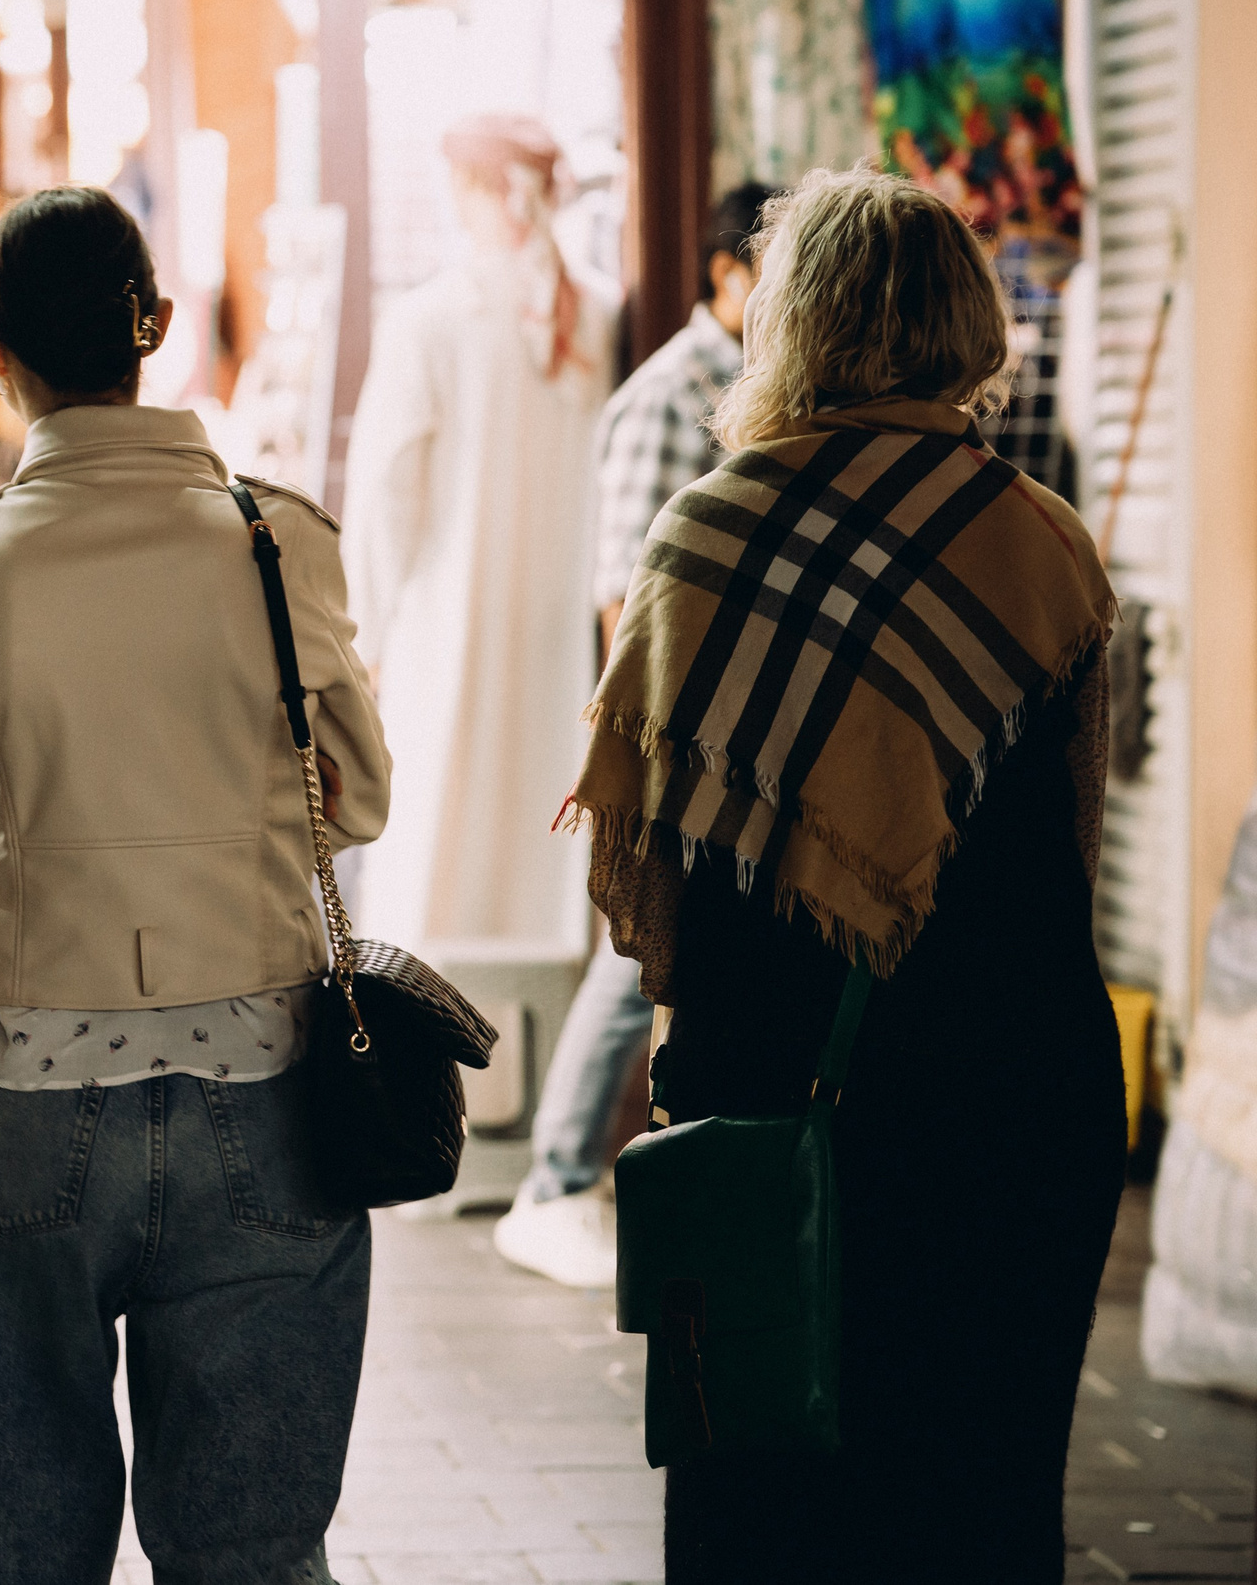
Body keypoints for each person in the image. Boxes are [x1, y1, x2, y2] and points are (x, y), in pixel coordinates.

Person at [568, 168, 1124, 1580]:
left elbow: (658, 866)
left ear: (791, 319)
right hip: (1016, 1089)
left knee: (761, 1492)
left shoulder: (705, 535)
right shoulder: (1040, 542)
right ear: (965, 321)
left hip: (771, 1090)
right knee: (983, 1498)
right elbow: (1076, 843)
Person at [0, 186, 392, 1582]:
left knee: (31, 1546)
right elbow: (361, 793)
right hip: (266, 1075)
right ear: (155, 323)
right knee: (254, 1549)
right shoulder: (275, 537)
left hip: (22, 1087)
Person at [493, 181, 777, 1290]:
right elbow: (629, 591)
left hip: (731, 729)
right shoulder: (672, 395)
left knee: (666, 953)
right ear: (724, 277)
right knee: (636, 954)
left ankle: (578, 1179)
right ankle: (554, 1180)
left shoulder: (748, 389)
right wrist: (652, 741)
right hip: (681, 729)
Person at [339, 112, 616, 961]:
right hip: (562, 638)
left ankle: (441, 1071)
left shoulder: (430, 317)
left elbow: (386, 495)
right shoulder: (598, 314)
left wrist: (364, 636)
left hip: (443, 633)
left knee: (437, 845)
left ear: (471, 191)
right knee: (545, 859)